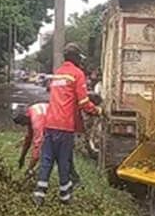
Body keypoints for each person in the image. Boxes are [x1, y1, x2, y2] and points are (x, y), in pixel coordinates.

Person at [33, 42, 99, 206]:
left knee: (47, 159)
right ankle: (65, 197)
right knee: (64, 160)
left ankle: (39, 195)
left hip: (50, 123)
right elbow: (83, 102)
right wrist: (97, 110)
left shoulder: (58, 73)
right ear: (76, 58)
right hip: (65, 126)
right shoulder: (77, 74)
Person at [14, 101, 49, 176]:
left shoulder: (37, 121)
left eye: (22, 123)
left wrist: (29, 168)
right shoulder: (31, 112)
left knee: (53, 155)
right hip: (54, 122)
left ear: (25, 117)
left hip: (61, 125)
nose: (23, 126)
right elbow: (28, 138)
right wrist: (22, 158)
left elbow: (38, 144)